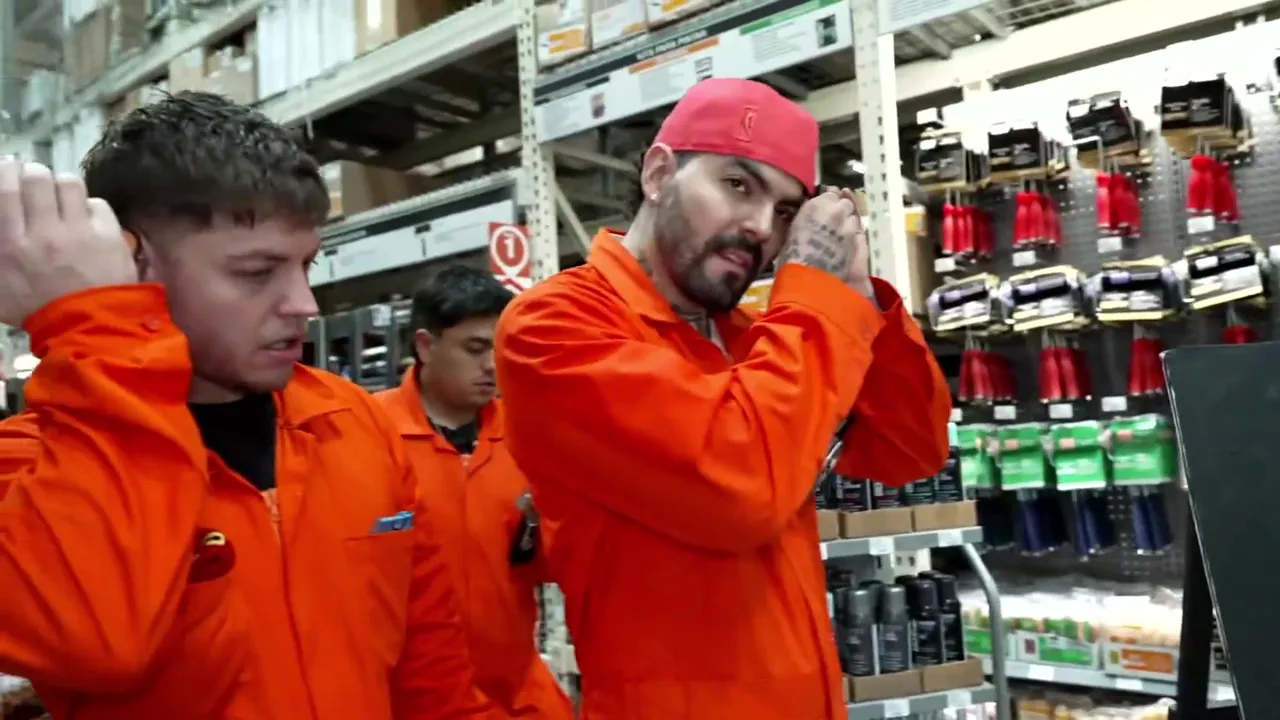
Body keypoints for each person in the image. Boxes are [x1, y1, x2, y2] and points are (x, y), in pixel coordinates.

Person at [0, 92, 491, 719]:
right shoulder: (33, 467)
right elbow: (100, 642)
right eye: (256, 273)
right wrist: (94, 324)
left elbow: (434, 680)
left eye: (306, 265)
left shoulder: (352, 422)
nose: (304, 304)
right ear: (130, 263)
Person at [494, 78, 952, 719]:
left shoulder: (758, 339)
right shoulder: (555, 329)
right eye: (738, 185)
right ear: (659, 174)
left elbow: (909, 449)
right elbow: (743, 487)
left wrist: (855, 294)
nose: (761, 228)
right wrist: (812, 300)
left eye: (786, 212)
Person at [374, 266, 573, 720]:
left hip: (516, 694)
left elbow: (549, 566)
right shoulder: (369, 434)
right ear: (426, 346)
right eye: (475, 349)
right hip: (411, 703)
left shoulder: (529, 437)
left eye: (498, 348)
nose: (491, 366)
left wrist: (551, 523)